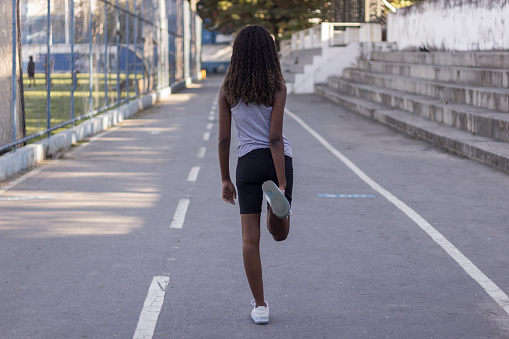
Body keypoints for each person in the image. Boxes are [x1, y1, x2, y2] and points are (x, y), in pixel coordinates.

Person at [217, 25, 293, 325]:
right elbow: (275, 138)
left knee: (250, 240)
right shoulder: (278, 87)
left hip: (247, 164)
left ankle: (260, 307)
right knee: (280, 234)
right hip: (277, 162)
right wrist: (282, 182)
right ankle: (277, 205)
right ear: (269, 54)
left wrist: (225, 179)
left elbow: (223, 140)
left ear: (237, 53)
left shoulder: (227, 89)